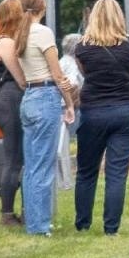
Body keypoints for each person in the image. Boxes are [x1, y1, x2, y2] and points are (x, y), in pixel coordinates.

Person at [69, 0, 129, 235]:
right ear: (119, 17)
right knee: (117, 173)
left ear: (93, 17)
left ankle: (82, 224)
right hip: (125, 111)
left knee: (86, 171)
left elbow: (85, 73)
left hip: (93, 111)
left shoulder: (82, 47)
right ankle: (111, 228)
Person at [16, 0, 77, 236]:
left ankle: (33, 221)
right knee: (43, 165)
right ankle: (39, 226)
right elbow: (57, 72)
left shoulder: (20, 33)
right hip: (45, 97)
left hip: (29, 96)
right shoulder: (43, 33)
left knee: (31, 165)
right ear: (43, 7)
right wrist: (69, 102)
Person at [0, 0, 27, 227]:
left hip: (3, 103)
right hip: (11, 102)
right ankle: (7, 214)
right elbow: (20, 78)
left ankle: (10, 211)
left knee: (15, 158)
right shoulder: (7, 44)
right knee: (14, 160)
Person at [56, 32, 84, 190]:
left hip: (60, 105)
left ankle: (64, 181)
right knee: (65, 145)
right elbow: (72, 84)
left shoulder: (62, 61)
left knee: (62, 145)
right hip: (67, 107)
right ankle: (65, 181)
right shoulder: (72, 64)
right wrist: (73, 103)